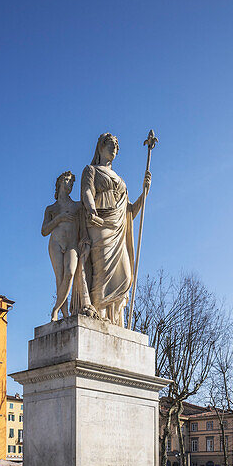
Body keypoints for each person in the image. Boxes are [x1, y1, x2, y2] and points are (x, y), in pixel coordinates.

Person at [80, 133, 151, 325]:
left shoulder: (121, 181)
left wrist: (144, 194)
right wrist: (91, 209)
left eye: (117, 147)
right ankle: (97, 314)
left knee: (126, 276)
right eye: (111, 145)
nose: (115, 149)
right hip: (100, 221)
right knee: (101, 269)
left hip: (118, 227)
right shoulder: (91, 170)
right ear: (101, 147)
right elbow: (87, 191)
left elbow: (129, 213)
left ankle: (112, 317)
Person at [41, 171, 92, 321]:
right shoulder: (51, 209)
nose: (70, 184)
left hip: (72, 244)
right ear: (59, 183)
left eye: (72, 182)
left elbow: (84, 226)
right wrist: (59, 219)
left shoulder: (77, 206)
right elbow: (44, 231)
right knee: (59, 278)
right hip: (55, 243)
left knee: (69, 273)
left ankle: (55, 308)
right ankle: (63, 314)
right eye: (67, 181)